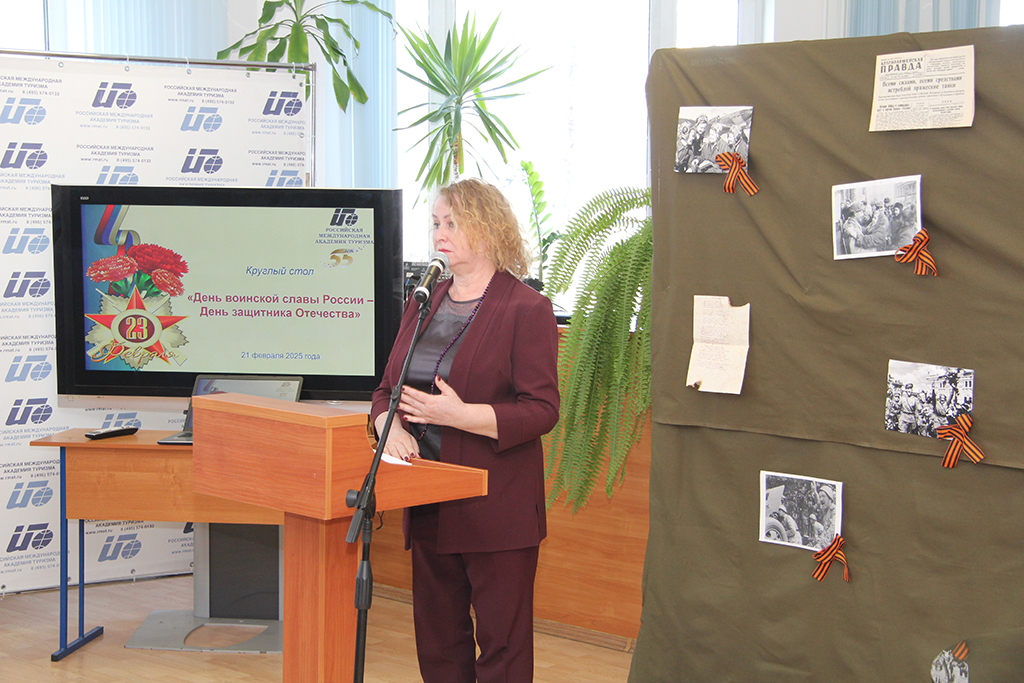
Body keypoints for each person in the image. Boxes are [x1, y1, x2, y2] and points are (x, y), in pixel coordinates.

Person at [371, 178, 560, 683]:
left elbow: (542, 410)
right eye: (436, 223)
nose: (440, 234)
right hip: (428, 497)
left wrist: (460, 415)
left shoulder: (527, 309)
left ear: (488, 228)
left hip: (495, 506)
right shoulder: (423, 302)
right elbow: (386, 389)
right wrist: (389, 428)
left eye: (453, 223)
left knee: (502, 650)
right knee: (439, 645)